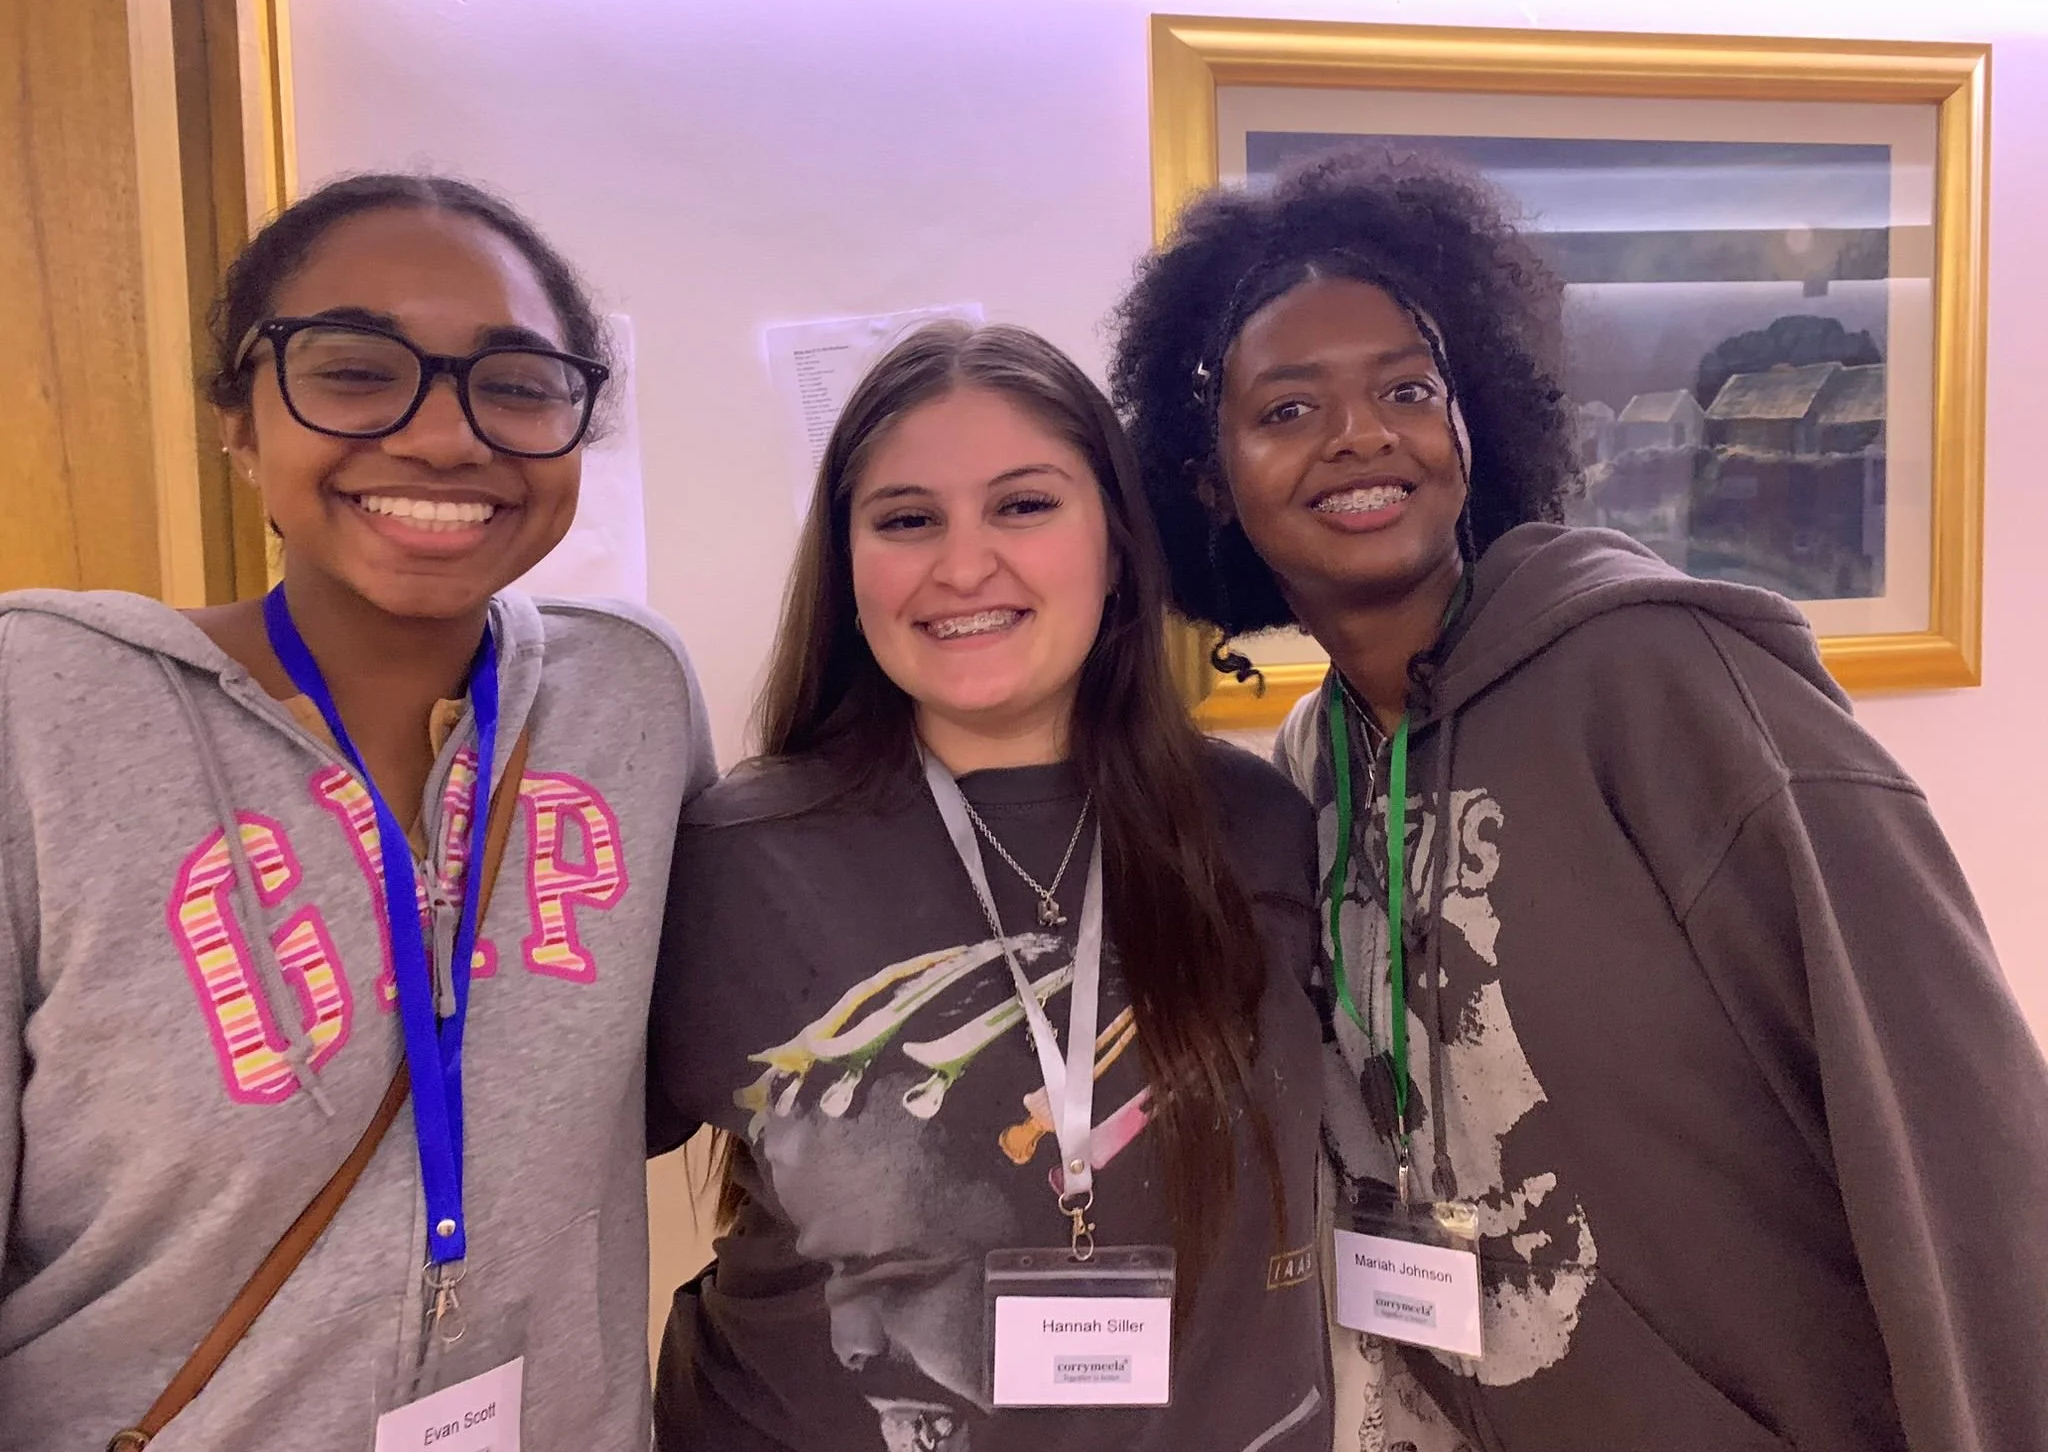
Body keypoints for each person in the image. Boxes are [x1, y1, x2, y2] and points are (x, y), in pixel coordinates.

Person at [1109, 148, 2048, 1452]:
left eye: (1407, 389)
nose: (1362, 437)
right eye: (1287, 411)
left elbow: (1959, 1126)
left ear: (1472, 420)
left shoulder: (1667, 678)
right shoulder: (1312, 765)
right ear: (1207, 478)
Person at [0, 173, 714, 1449]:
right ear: (237, 418)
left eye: (515, 382)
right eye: (350, 370)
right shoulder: (42, 713)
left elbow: (662, 1085)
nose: (446, 438)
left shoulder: (633, 702)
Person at [647, 322, 1331, 1452]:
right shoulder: (733, 854)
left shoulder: (1260, 828)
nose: (962, 566)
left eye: (1022, 505)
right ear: (848, 561)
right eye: (907, 519)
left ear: (1113, 544)